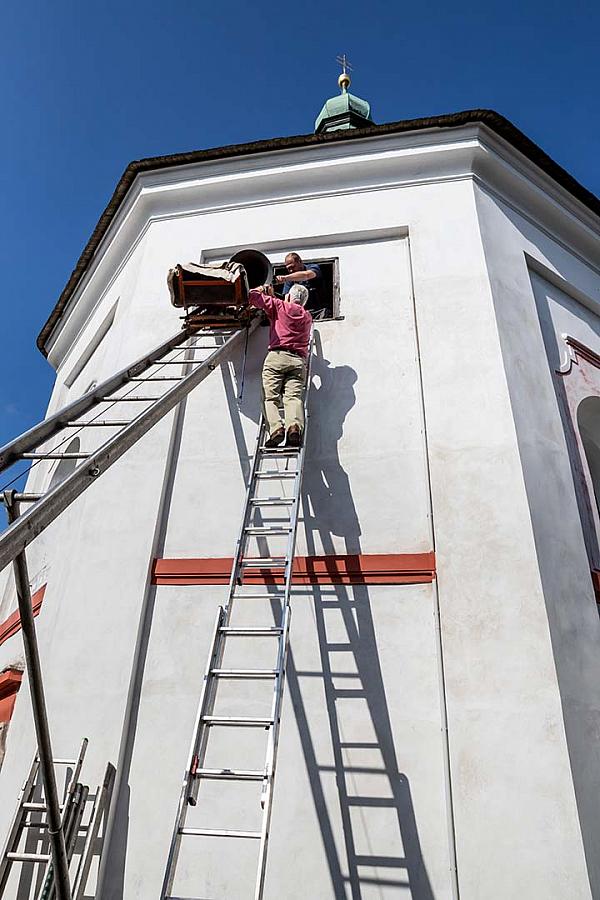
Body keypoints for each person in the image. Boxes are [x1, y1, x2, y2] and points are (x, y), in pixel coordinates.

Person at [248, 283, 312, 447]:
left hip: (277, 357)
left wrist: (261, 289)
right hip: (298, 361)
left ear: (289, 296)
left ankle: (276, 429)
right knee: (293, 398)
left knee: (270, 397)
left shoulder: (279, 305)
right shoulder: (307, 317)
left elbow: (252, 297)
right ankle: (294, 427)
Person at [276, 252, 325, 319]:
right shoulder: (289, 280)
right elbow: (287, 300)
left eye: (292, 267)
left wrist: (285, 278)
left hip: (318, 312)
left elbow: (307, 275)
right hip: (301, 315)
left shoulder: (313, 268)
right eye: (288, 268)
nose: (290, 270)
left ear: (300, 261)